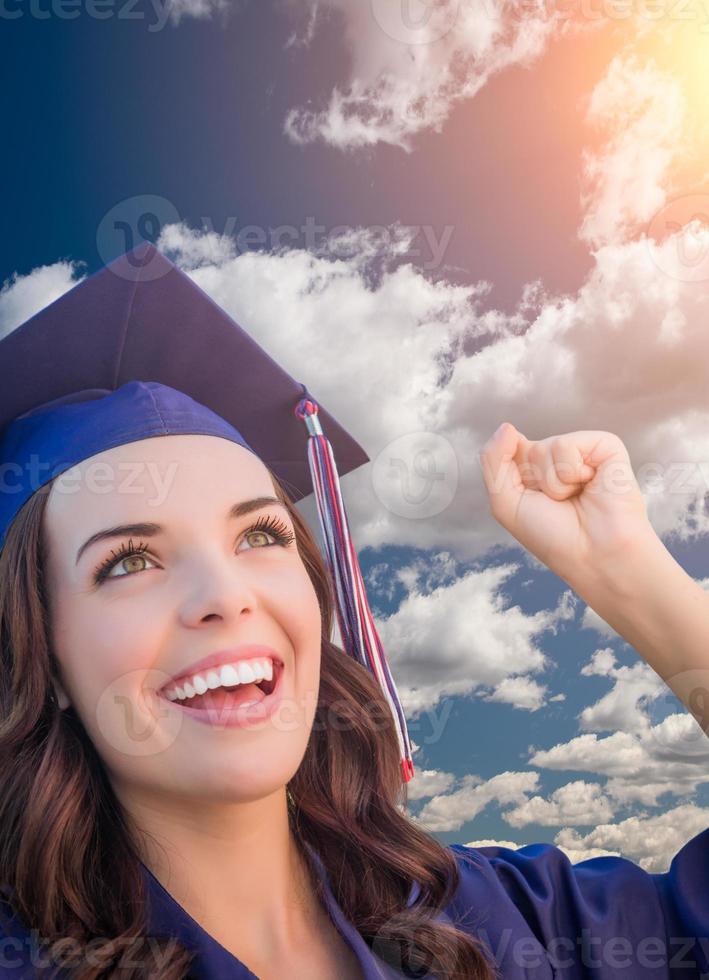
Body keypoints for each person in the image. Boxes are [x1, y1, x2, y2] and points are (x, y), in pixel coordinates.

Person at [0, 242, 705, 980]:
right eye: (130, 562)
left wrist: (628, 571)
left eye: (259, 535)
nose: (225, 596)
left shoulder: (500, 920)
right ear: (41, 655)